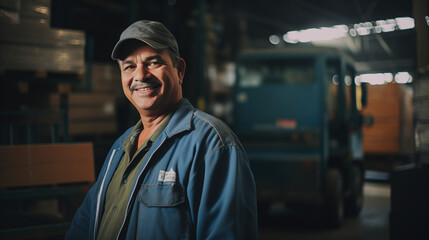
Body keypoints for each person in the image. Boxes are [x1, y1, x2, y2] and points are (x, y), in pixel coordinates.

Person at [66, 20, 258, 240]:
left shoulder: (211, 144)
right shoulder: (120, 147)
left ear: (180, 71)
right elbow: (84, 224)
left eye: (154, 62)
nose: (140, 75)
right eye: (129, 66)